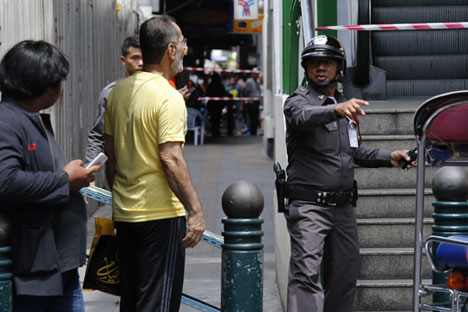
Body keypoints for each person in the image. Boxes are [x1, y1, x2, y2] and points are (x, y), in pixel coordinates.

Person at [282, 35, 414, 312]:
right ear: (306, 68)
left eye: (327, 63)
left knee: (344, 276)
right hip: (309, 207)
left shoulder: (345, 104)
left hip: (342, 209)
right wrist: (334, 109)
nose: (320, 68)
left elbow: (352, 151)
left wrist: (389, 157)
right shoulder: (298, 101)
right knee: (306, 276)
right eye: (314, 63)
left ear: (338, 68)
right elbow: (303, 118)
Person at [104, 15, 205, 311]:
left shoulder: (118, 92)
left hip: (125, 213)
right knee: (157, 303)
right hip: (160, 216)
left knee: (132, 301)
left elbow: (111, 155)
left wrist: (120, 194)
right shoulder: (169, 97)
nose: (186, 48)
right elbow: (170, 158)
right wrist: (195, 210)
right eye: (183, 42)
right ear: (170, 50)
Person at [0, 40, 101, 311]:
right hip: (35, 267)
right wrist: (63, 182)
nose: (60, 90)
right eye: (56, 83)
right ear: (41, 85)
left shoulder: (32, 117)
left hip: (59, 263)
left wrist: (71, 187)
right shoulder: (7, 121)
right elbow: (6, 180)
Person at [85, 35, 143, 165]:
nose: (141, 63)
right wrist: (89, 171)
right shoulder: (111, 92)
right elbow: (97, 135)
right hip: (120, 173)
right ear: (123, 60)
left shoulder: (158, 91)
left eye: (145, 58)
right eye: (135, 58)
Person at [244, 68, 262, 135]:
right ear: (252, 74)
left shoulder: (257, 82)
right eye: (255, 74)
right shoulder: (249, 81)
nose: (256, 75)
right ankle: (251, 131)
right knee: (251, 117)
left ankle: (254, 131)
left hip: (256, 101)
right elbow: (246, 91)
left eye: (257, 74)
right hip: (251, 102)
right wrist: (249, 99)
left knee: (255, 117)